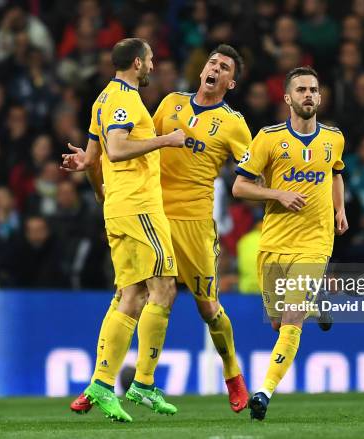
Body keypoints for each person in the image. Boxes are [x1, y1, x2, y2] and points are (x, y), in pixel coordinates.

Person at [65, 44, 252, 413]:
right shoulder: (169, 104)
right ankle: (106, 381)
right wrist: (99, 169)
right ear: (203, 71)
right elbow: (134, 141)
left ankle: (234, 377)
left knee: (208, 307)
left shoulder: (234, 123)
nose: (215, 68)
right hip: (151, 212)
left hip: (195, 222)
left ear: (230, 82)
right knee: (128, 294)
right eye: (212, 62)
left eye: (225, 67)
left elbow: (252, 170)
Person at [60, 38, 185, 423]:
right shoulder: (125, 100)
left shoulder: (102, 99)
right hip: (139, 207)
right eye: (150, 59)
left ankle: (101, 383)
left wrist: (89, 171)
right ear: (136, 63)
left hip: (120, 206)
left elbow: (95, 156)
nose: (153, 65)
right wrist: (166, 139)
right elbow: (115, 150)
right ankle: (143, 384)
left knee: (130, 295)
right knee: (164, 287)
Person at [232, 66, 348, 420]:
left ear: (320, 96)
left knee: (291, 318)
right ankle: (316, 304)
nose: (308, 95)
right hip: (274, 243)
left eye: (313, 89)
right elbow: (240, 187)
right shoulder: (267, 138)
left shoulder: (334, 138)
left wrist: (339, 209)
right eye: (301, 90)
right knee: (278, 322)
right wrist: (276, 194)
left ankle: (264, 392)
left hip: (315, 241)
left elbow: (336, 173)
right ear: (287, 98)